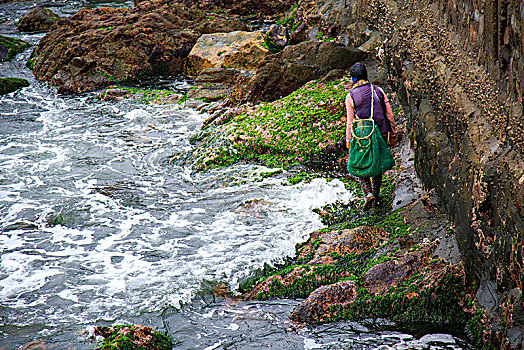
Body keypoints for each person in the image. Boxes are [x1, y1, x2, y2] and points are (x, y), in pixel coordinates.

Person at [345, 62, 396, 210]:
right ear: (366, 76)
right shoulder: (378, 90)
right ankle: (376, 194)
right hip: (381, 132)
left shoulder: (350, 96)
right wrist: (393, 133)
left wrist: (349, 140)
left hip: (364, 135)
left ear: (353, 79)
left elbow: (350, 122)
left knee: (359, 163)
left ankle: (368, 193)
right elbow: (389, 114)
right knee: (377, 163)